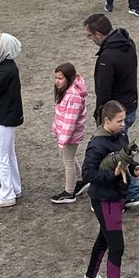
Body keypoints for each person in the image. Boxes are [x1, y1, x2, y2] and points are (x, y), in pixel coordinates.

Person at [81, 99, 139, 278]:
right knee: (116, 246)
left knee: (104, 239)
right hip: (105, 200)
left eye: (124, 120)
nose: (124, 124)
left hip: (116, 197)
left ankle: (90, 277)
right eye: (119, 121)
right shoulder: (96, 145)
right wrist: (113, 175)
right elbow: (88, 175)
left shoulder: (121, 135)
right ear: (106, 120)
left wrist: (134, 167)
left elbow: (124, 155)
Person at [83, 14, 139, 207]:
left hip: (114, 111)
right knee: (121, 148)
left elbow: (103, 90)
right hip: (129, 105)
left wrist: (102, 117)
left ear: (98, 34)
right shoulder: (128, 43)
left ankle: (129, 193)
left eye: (90, 36)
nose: (90, 39)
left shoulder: (107, 57)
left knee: (117, 153)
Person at [0, 33, 23, 209]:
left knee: (0, 155)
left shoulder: (4, 70)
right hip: (9, 116)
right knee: (8, 154)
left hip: (5, 117)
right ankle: (14, 188)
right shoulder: (9, 67)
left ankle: (7, 193)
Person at [50, 62, 88, 204]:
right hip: (65, 134)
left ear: (69, 78)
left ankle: (69, 192)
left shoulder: (73, 97)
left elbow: (70, 121)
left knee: (68, 161)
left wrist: (63, 139)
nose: (57, 81)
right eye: (56, 78)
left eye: (60, 78)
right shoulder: (66, 92)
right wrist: (56, 129)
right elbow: (60, 113)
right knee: (69, 158)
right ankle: (80, 180)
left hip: (70, 135)